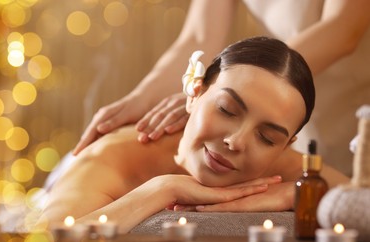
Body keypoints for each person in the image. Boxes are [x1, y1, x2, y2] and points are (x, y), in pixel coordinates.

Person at [38, 37, 349, 234]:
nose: (236, 141)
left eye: (267, 138)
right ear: (194, 94)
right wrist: (163, 188)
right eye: (227, 110)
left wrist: (295, 194)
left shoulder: (286, 171)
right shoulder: (113, 158)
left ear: (285, 146)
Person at [73, 0, 370, 175]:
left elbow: (343, 30)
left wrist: (229, 84)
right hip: (267, 111)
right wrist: (144, 96)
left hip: (350, 116)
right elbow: (200, 36)